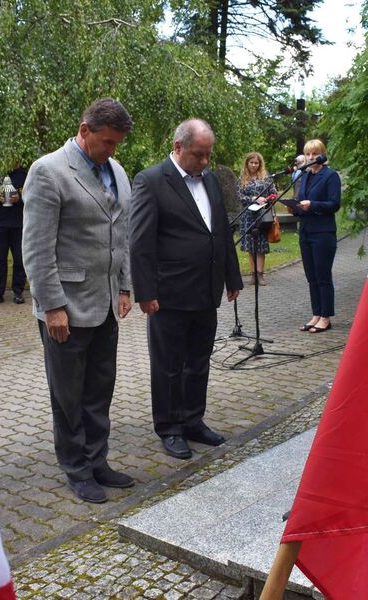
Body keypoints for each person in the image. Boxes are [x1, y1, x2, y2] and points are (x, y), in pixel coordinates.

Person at [22, 98, 135, 504]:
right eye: (106, 142)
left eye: (116, 144)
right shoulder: (48, 171)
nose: (111, 151)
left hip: (104, 303)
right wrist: (51, 305)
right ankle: (76, 468)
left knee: (100, 387)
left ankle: (97, 459)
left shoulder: (116, 171)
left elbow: (121, 233)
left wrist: (124, 286)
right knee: (68, 393)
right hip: (65, 307)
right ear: (83, 129)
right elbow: (36, 249)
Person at [129, 119, 243, 461]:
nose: (205, 162)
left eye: (208, 155)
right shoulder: (150, 181)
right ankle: (169, 427)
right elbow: (141, 242)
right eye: (199, 155)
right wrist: (145, 291)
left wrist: (232, 277)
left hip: (205, 290)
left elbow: (220, 230)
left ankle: (193, 419)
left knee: (198, 361)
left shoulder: (209, 180)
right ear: (178, 147)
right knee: (168, 365)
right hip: (169, 294)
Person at [290, 139, 340, 334]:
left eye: (314, 154)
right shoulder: (305, 176)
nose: (310, 157)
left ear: (322, 155)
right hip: (306, 231)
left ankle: (326, 317)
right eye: (307, 154)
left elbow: (334, 204)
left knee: (322, 276)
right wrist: (295, 207)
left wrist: (313, 205)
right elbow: (302, 200)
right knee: (311, 276)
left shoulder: (330, 176)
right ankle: (316, 314)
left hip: (323, 233)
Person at [0, 161, 27, 306]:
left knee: (20, 259)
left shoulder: (25, 175)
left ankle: (18, 291)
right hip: (0, 224)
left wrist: (20, 199)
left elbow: (34, 196)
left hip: (19, 224)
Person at [237, 152, 277, 285]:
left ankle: (260, 275)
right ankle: (253, 274)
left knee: (260, 246)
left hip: (263, 216)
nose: (254, 165)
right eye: (251, 162)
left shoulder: (266, 177)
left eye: (256, 163)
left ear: (260, 164)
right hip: (248, 216)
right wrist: (253, 199)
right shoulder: (242, 178)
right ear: (247, 163)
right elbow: (239, 196)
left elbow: (274, 193)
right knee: (250, 247)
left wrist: (267, 199)